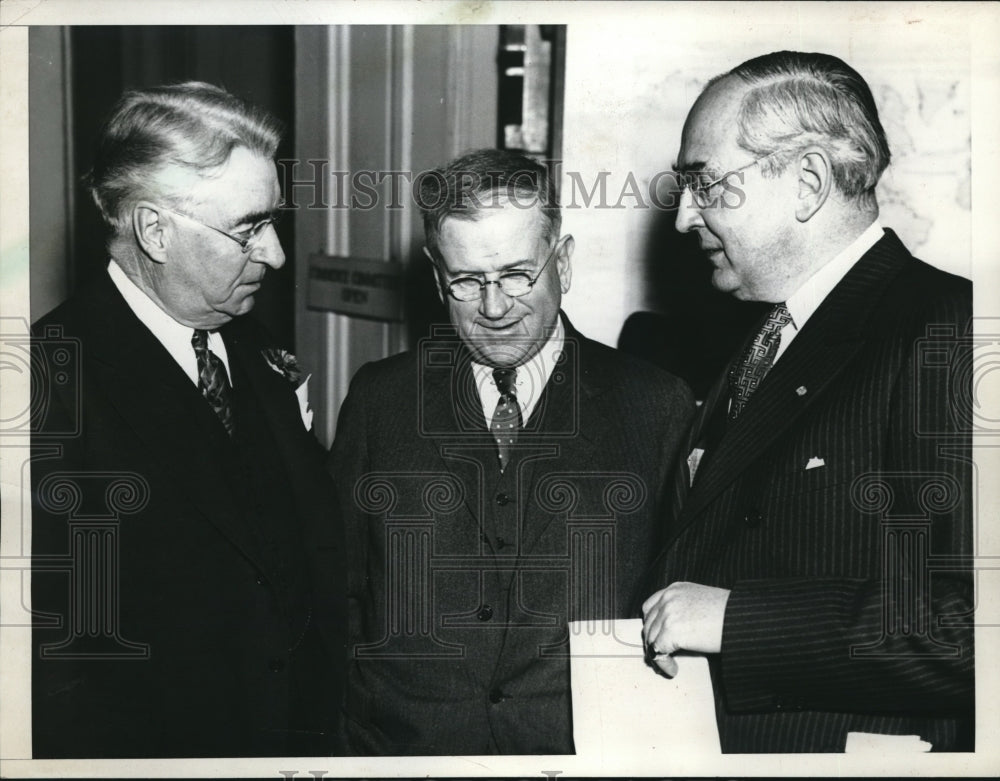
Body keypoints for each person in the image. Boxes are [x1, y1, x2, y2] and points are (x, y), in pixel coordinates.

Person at [641, 51, 973, 752]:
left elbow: (973, 629)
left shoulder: (946, 326)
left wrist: (736, 621)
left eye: (704, 183)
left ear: (808, 183)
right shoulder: (766, 336)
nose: (683, 218)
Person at [328, 148, 694, 755]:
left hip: (579, 759)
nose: (494, 309)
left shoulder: (656, 406)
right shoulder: (380, 398)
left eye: (518, 275)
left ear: (564, 262)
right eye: (467, 282)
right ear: (435, 273)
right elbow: (338, 592)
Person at [30, 82, 346, 758]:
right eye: (248, 228)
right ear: (154, 230)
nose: (277, 254)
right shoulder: (43, 385)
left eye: (273, 221)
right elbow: (49, 665)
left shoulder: (257, 350)